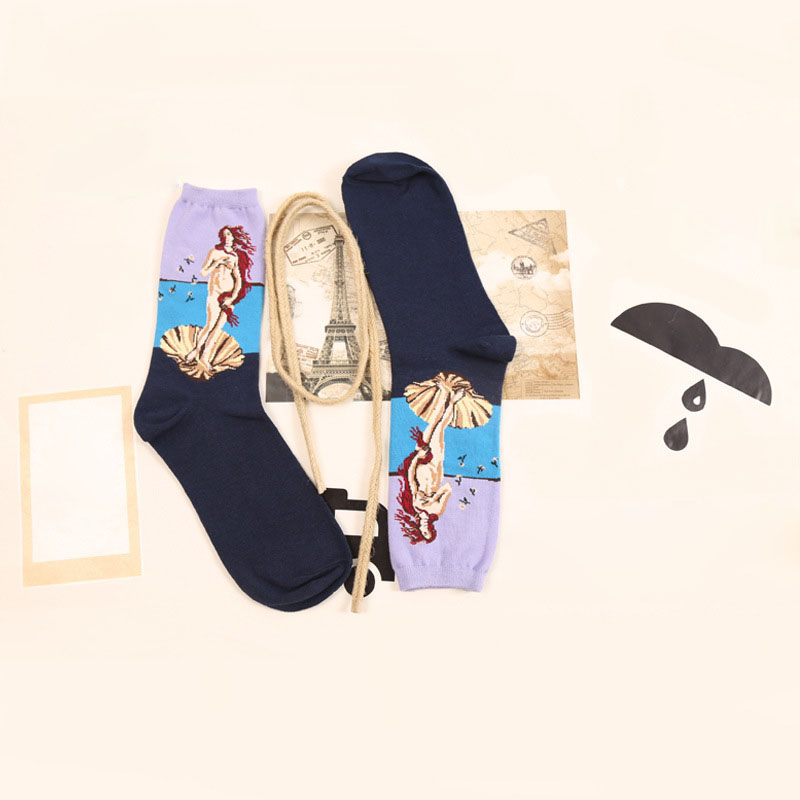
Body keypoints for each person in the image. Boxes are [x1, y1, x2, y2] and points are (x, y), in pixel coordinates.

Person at [185, 225, 254, 373]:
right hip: (215, 294)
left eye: (230, 234)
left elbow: (238, 279)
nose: (227, 238)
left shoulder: (234, 256)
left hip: (228, 296)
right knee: (210, 325)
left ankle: (205, 357)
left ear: (234, 236)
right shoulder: (215, 252)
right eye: (225, 235)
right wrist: (218, 262)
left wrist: (232, 297)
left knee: (217, 329)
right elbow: (203, 272)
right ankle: (196, 350)